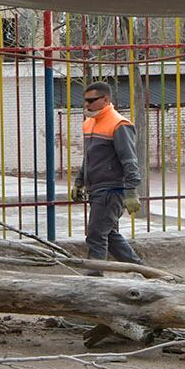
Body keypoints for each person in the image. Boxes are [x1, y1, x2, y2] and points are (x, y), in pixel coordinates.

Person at [70, 80, 143, 268]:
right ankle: (141, 269)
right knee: (108, 234)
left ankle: (94, 275)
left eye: (91, 100)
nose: (87, 104)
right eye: (85, 100)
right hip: (97, 189)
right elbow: (89, 158)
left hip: (112, 190)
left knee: (95, 234)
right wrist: (79, 182)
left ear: (105, 99)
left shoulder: (119, 124)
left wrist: (131, 192)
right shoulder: (89, 124)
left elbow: (129, 160)